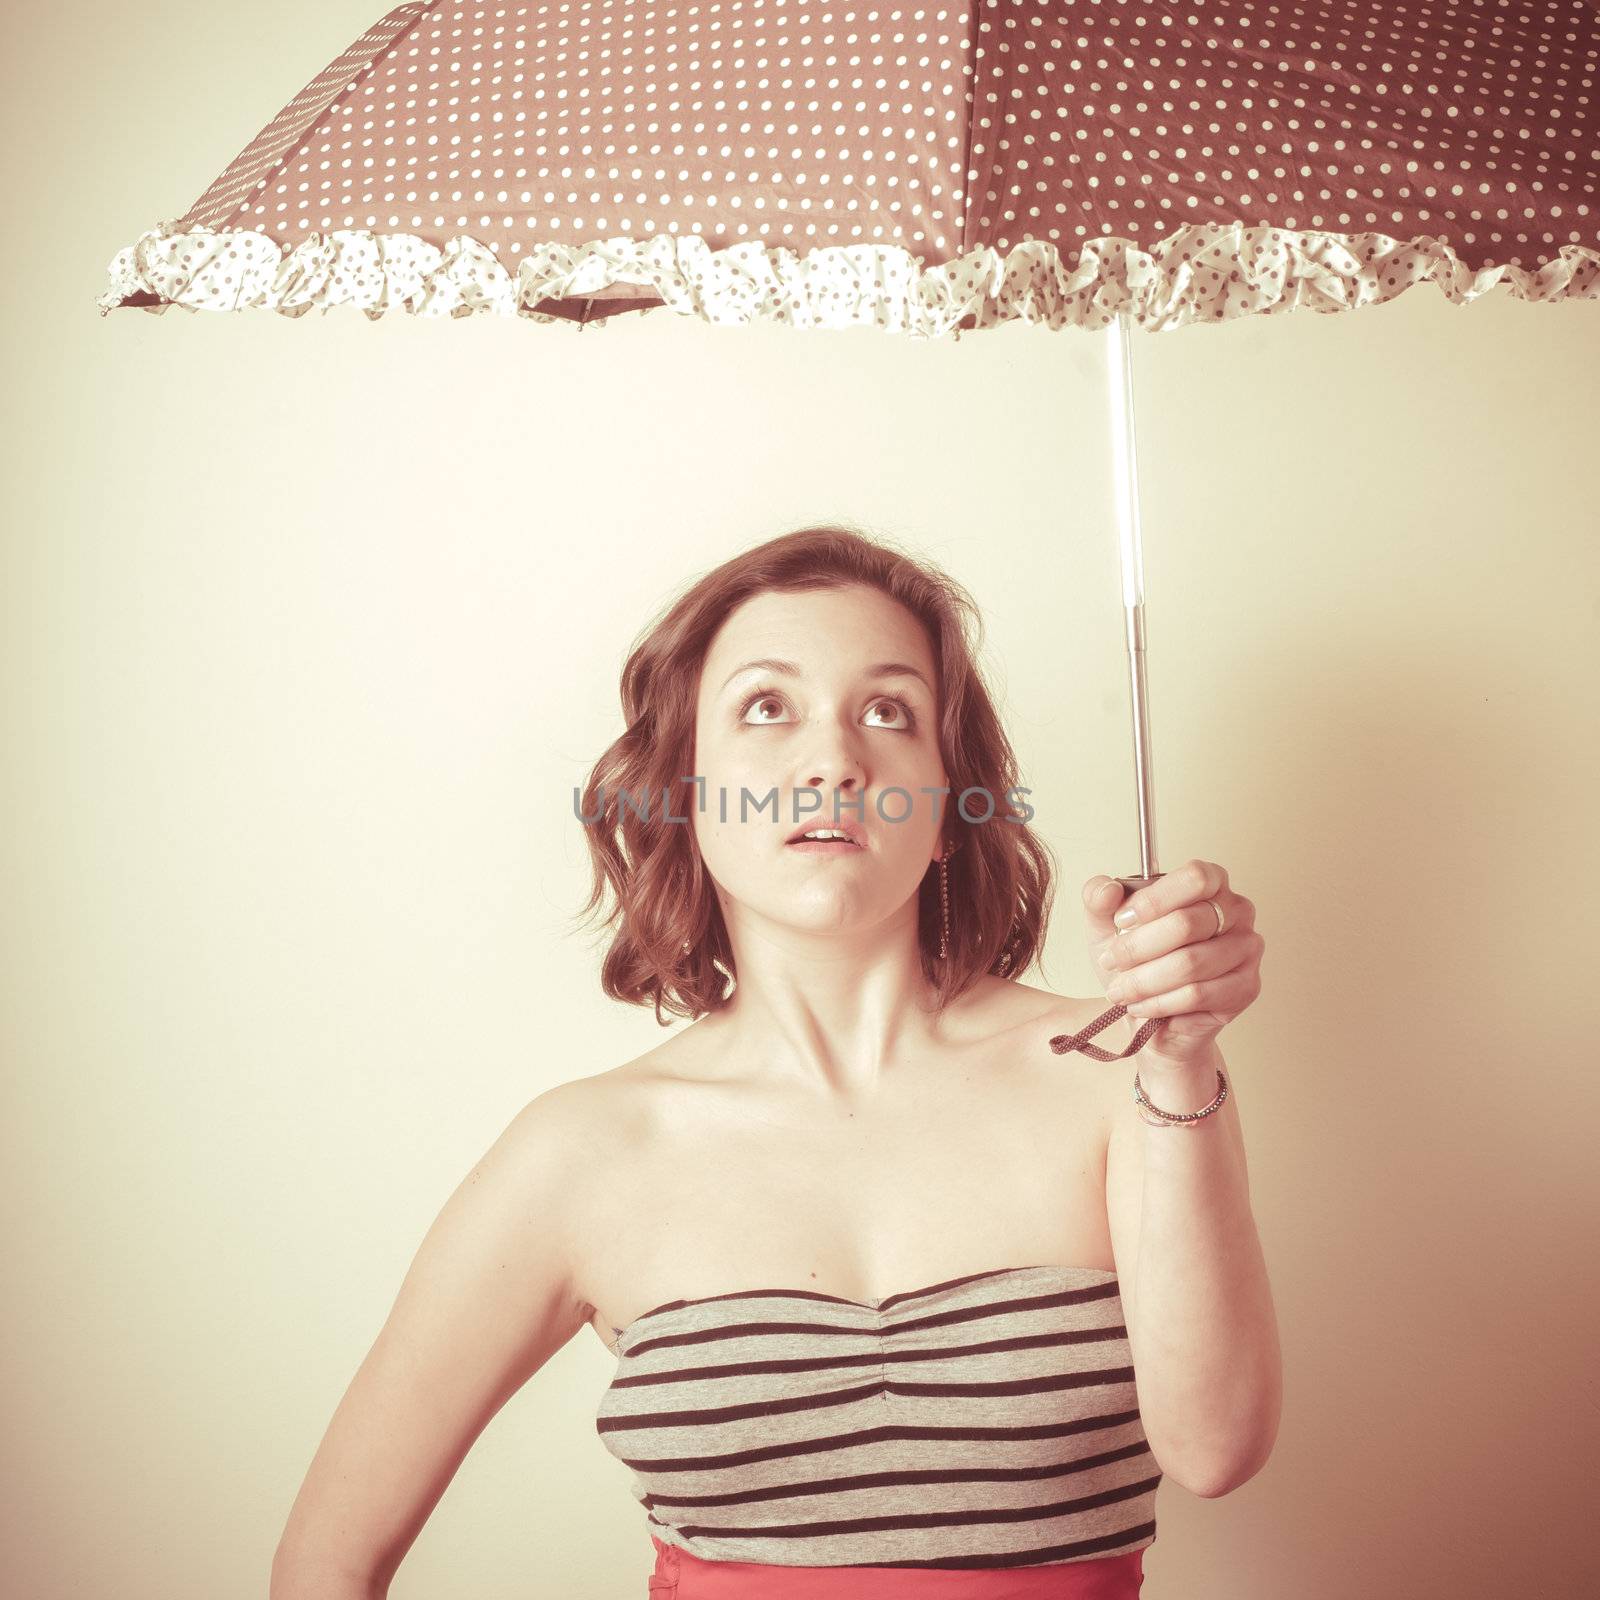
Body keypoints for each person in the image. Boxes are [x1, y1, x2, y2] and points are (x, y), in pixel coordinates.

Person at [270, 526, 1280, 1599]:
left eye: (889, 711)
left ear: (945, 807)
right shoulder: (582, 1152)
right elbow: (324, 1563)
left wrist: (1179, 1064)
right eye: (765, 706)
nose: (835, 759)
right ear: (688, 793)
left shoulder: (1117, 1073)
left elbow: (1215, 1449)